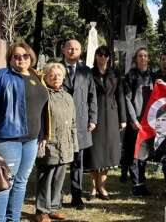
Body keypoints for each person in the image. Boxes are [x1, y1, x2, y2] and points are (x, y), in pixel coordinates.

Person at [0, 42, 49, 222]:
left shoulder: (36, 77)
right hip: (7, 138)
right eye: (16, 56)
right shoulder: (0, 76)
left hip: (31, 140)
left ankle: (13, 219)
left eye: (25, 56)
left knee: (21, 183)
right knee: (3, 184)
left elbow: (42, 109)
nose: (21, 59)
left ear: (31, 57)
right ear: (10, 58)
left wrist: (44, 135)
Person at [35, 63, 79, 222]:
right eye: (52, 75)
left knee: (59, 177)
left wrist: (74, 145)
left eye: (59, 75)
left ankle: (54, 207)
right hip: (49, 144)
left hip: (65, 144)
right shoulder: (42, 95)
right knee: (45, 177)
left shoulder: (67, 96)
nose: (56, 78)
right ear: (45, 77)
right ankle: (41, 211)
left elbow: (73, 122)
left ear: (63, 78)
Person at [84, 45, 126, 200]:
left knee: (108, 152)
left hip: (111, 115)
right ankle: (93, 187)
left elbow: (120, 96)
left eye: (105, 55)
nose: (102, 57)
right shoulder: (89, 73)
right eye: (100, 55)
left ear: (109, 57)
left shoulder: (115, 73)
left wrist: (123, 119)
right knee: (94, 152)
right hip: (94, 115)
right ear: (96, 57)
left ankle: (102, 186)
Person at [61, 39, 98, 210]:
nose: (72, 51)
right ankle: (56, 197)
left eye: (76, 49)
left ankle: (77, 197)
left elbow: (92, 97)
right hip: (60, 123)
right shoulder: (56, 68)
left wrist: (93, 119)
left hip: (82, 123)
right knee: (59, 162)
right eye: (69, 48)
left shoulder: (86, 72)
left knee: (78, 163)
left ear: (80, 52)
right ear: (63, 50)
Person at [122, 47, 155, 196]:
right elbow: (127, 99)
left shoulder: (153, 76)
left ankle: (142, 182)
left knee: (144, 154)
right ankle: (136, 184)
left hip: (149, 122)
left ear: (148, 59)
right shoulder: (130, 76)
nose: (143, 58)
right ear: (136, 59)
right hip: (136, 122)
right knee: (134, 154)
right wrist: (133, 119)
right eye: (140, 56)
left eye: (145, 56)